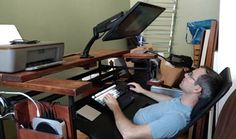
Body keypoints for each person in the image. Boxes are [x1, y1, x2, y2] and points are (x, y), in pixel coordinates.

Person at [103, 66, 223, 139]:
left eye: (190, 75)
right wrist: (143, 91)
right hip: (133, 123)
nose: (186, 74)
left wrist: (115, 107)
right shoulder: (184, 101)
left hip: (127, 131)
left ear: (197, 89)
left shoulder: (177, 118)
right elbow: (170, 101)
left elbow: (128, 134)